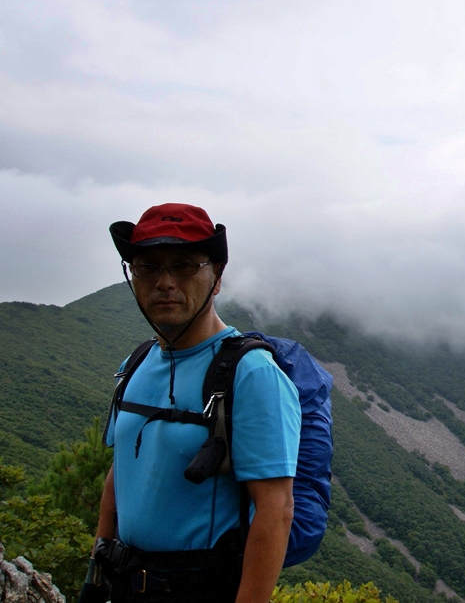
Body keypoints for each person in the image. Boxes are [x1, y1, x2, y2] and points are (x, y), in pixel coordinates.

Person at [82, 203, 301, 603]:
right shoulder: (135, 364)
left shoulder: (251, 373)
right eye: (147, 266)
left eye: (184, 265)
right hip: (122, 582)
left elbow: (276, 509)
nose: (164, 282)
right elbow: (122, 472)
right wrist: (95, 573)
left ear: (216, 278)